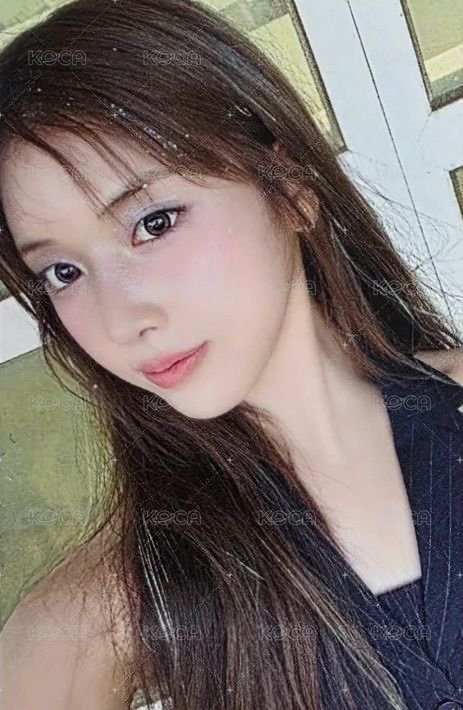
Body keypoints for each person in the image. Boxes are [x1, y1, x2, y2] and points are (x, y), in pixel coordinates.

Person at [0, 0, 462, 708]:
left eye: (153, 222)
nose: (123, 320)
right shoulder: (103, 610)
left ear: (290, 189)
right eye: (62, 272)